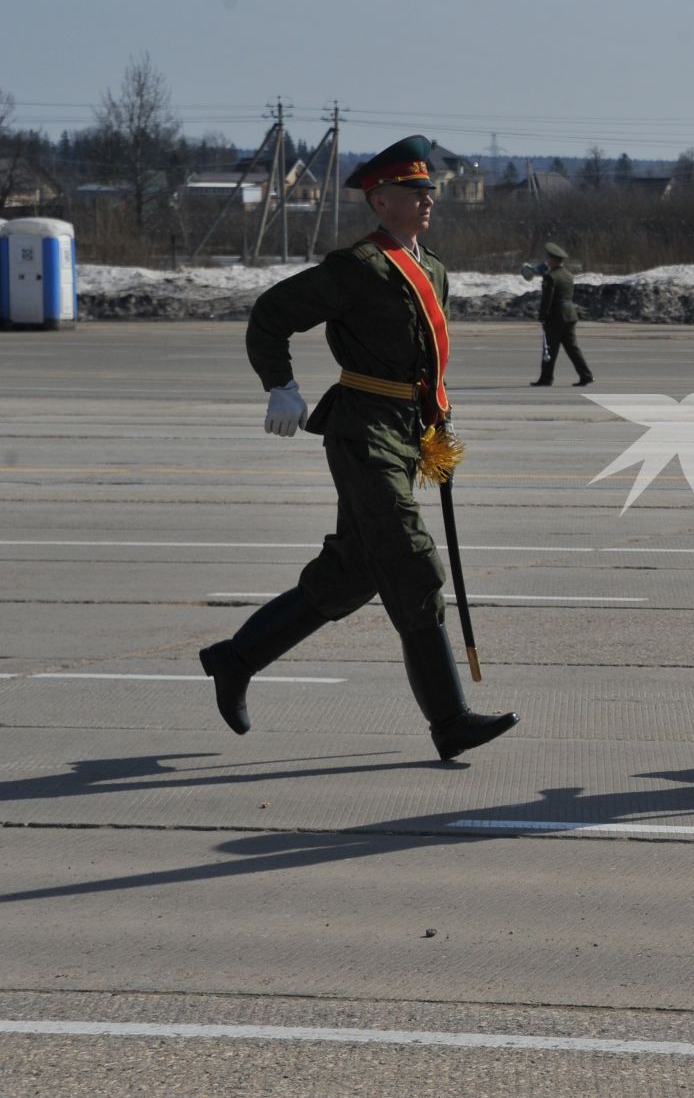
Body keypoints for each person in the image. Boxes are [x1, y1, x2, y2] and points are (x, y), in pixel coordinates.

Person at [198, 134, 519, 762]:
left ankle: (235, 659)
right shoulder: (357, 268)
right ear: (379, 200)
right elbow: (271, 313)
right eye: (411, 191)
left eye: (428, 190)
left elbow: (425, 363)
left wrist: (436, 425)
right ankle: (449, 719)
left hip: (404, 430)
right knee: (414, 562)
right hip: (362, 433)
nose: (426, 199)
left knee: (351, 575)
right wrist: (282, 386)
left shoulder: (433, 270)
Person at [529, 241, 592, 387]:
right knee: (572, 349)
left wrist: (542, 316)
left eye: (548, 258)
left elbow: (547, 299)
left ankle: (546, 378)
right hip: (570, 316)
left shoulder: (550, 277)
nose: (546, 261)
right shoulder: (568, 275)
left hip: (556, 318)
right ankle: (586, 375)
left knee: (549, 349)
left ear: (553, 260)